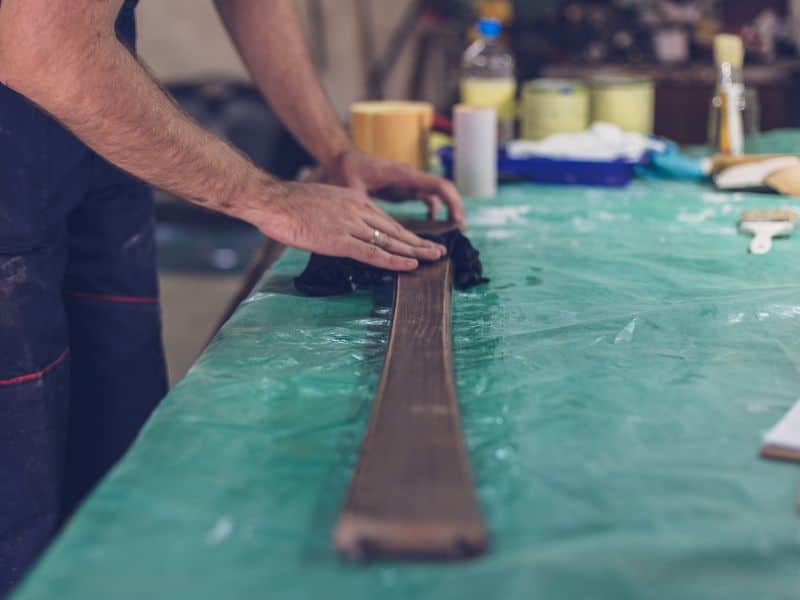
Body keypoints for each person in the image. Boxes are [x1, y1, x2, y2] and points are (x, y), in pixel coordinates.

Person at [0, 0, 465, 593]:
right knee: (18, 509)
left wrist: (334, 150)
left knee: (116, 481)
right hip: (30, 111)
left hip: (89, 148)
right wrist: (265, 196)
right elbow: (40, 47)